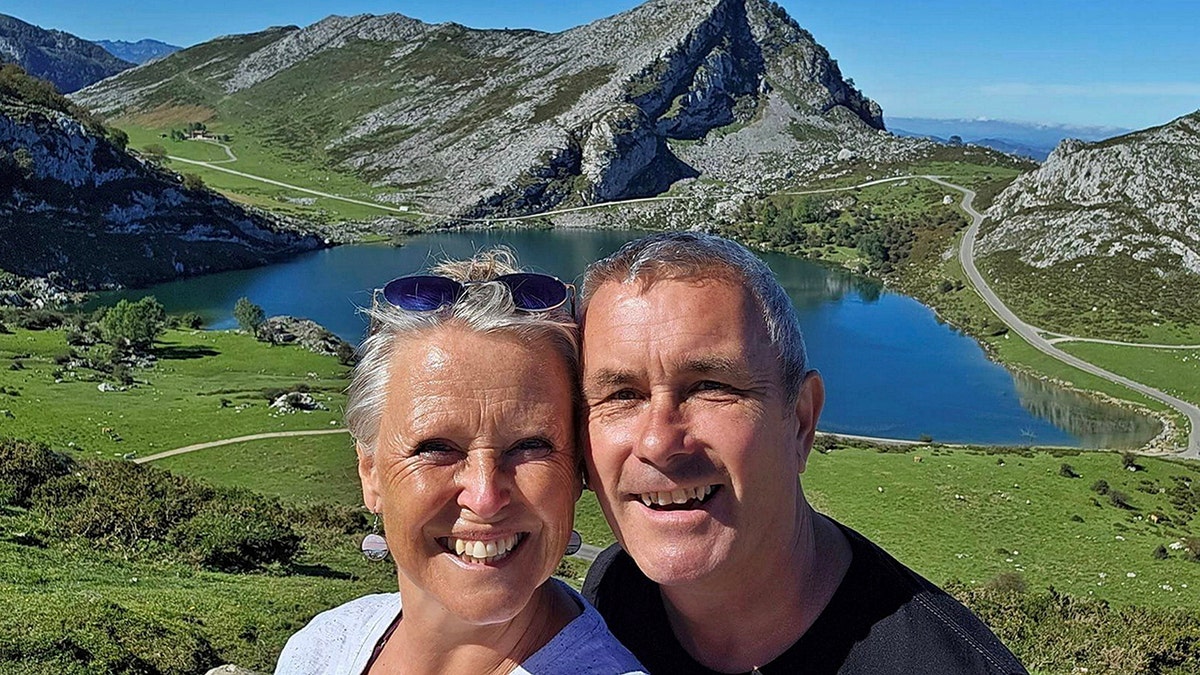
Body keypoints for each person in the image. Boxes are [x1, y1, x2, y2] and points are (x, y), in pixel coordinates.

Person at [578, 232, 1026, 674]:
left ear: (800, 421)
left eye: (711, 387)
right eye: (621, 395)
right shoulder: (613, 594)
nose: (657, 443)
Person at [276, 249, 645, 675]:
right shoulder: (320, 648)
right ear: (370, 473)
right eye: (436, 448)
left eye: (529, 445)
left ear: (577, 469)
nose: (485, 497)